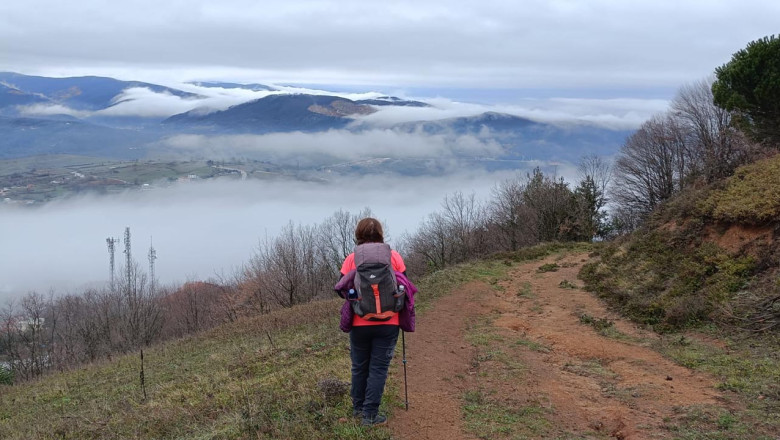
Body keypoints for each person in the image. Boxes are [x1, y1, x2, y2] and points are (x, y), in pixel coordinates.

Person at [340, 217, 406, 427]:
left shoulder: (352, 259)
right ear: (380, 233)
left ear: (358, 234)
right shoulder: (393, 257)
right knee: (378, 369)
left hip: (360, 322)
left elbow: (343, 290)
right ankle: (370, 416)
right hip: (389, 322)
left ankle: (359, 409)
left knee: (359, 367)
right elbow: (404, 284)